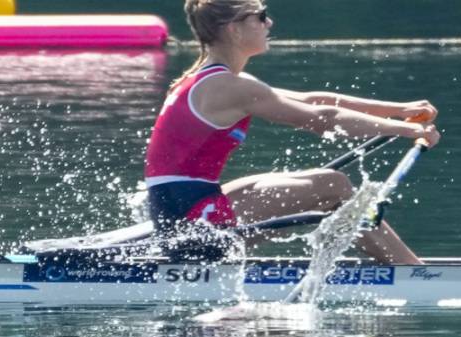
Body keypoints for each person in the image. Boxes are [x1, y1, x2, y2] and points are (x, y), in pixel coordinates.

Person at [144, 0, 441, 264]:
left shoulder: (215, 80)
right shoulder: (228, 87)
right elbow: (323, 119)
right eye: (261, 16)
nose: (269, 23)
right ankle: (413, 272)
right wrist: (405, 129)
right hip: (193, 226)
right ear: (234, 29)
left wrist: (399, 109)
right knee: (333, 184)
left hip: (184, 212)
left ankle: (406, 267)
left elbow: (314, 101)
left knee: (310, 180)